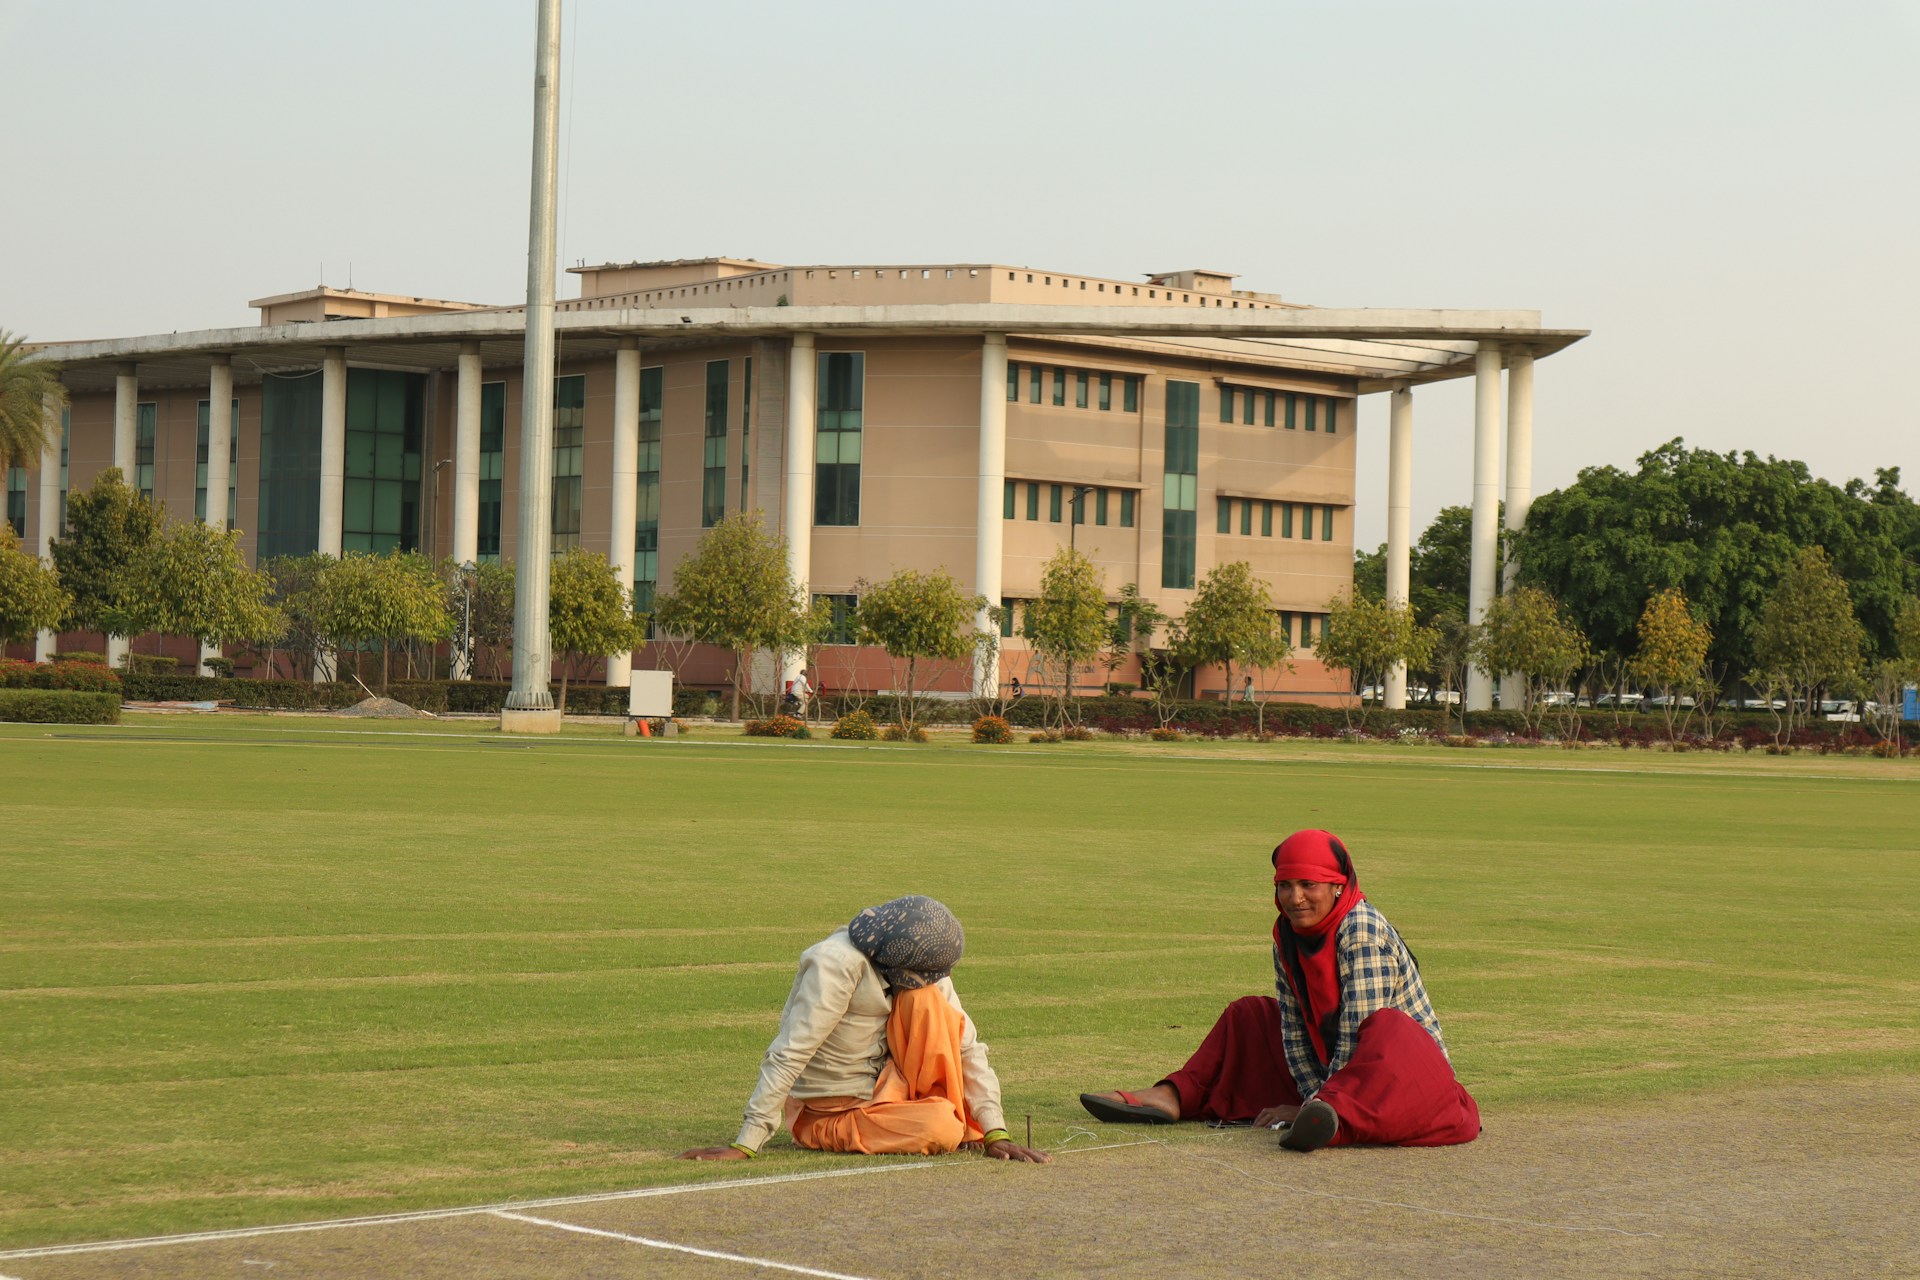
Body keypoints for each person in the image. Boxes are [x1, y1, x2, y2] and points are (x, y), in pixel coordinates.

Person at [1078, 829, 1479, 1151]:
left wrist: (1315, 1101)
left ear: (1338, 886)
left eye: (1309, 884)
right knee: (1248, 1015)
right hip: (1332, 1074)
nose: (1294, 898)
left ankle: (1329, 1119)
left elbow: (1359, 1035)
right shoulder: (1287, 933)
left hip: (1401, 1076)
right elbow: (1293, 1023)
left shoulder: (1362, 931)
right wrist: (1310, 1095)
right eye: (1284, 885)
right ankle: (1175, 1096)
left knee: (1386, 1026)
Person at [680, 895, 1051, 1163]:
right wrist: (748, 1141)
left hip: (887, 1088)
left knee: (927, 1004)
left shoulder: (918, 964)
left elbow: (966, 1045)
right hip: (830, 1112)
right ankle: (936, 1123)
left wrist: (994, 1130)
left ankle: (953, 1121)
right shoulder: (835, 963)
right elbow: (791, 1051)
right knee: (943, 1127)